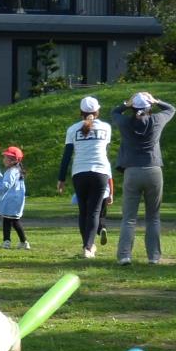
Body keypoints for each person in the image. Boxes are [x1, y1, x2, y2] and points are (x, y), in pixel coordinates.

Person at [110, 90, 176, 265]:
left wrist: (127, 103)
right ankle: (153, 257)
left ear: (133, 108)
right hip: (154, 170)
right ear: (149, 108)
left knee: (129, 218)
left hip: (132, 171)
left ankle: (125, 256)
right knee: (153, 217)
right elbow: (171, 109)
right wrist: (156, 100)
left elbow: (114, 112)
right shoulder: (157, 120)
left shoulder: (125, 122)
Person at [57, 96, 113, 260]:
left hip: (79, 173)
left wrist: (61, 178)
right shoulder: (106, 128)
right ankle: (89, 247)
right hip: (100, 172)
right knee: (94, 211)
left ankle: (86, 246)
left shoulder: (73, 129)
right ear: (97, 111)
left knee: (83, 211)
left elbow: (66, 156)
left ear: (81, 112)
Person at [0, 145, 30, 249]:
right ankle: (16, 241)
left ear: (13, 160)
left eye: (6, 157)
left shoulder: (11, 171)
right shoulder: (18, 170)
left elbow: (6, 185)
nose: (4, 160)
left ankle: (16, 241)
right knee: (11, 220)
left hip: (10, 201)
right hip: (17, 200)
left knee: (11, 221)